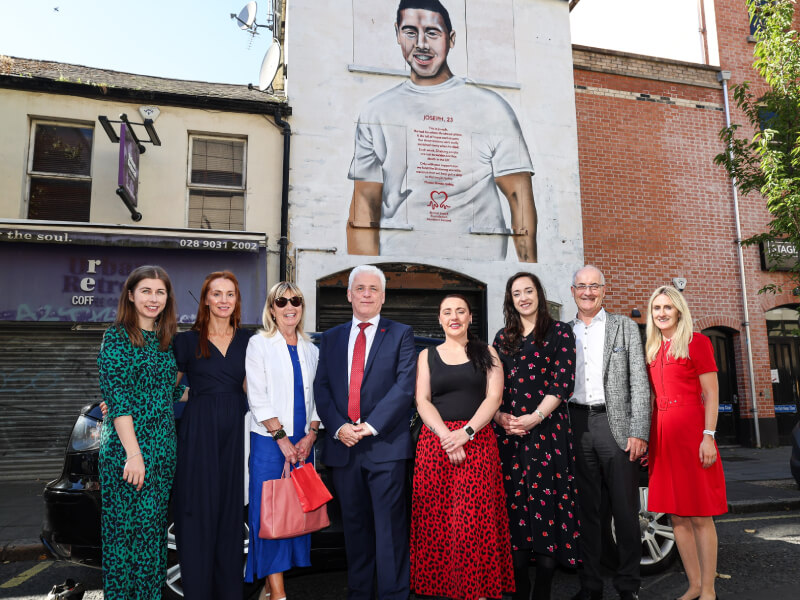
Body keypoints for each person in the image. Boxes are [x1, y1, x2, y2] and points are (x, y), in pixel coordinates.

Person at [346, 0, 537, 262]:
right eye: (410, 31)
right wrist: (364, 273)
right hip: (400, 261)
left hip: (480, 264)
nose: (421, 43)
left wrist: (529, 273)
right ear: (397, 34)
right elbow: (364, 206)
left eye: (432, 33)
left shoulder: (491, 107)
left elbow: (519, 198)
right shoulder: (376, 111)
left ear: (451, 38)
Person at [313, 264, 416, 600]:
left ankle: (393, 595)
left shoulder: (401, 334)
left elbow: (404, 387)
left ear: (383, 297)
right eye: (360, 288)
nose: (367, 294)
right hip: (343, 449)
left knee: (389, 533)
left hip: (385, 448)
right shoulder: (330, 338)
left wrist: (369, 427)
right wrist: (340, 427)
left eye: (373, 289)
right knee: (355, 532)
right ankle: (359, 593)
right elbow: (323, 388)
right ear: (349, 295)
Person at [411, 294, 514, 600]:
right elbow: (422, 400)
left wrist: (466, 433)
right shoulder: (427, 356)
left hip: (478, 443)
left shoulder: (488, 353)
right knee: (437, 523)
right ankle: (445, 591)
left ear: (470, 317)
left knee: (474, 524)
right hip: (436, 445)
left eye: (460, 311)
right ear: (439, 319)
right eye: (447, 312)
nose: (453, 317)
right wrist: (447, 435)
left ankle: (479, 592)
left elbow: (493, 398)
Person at [97, 265, 184, 600]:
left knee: (151, 541)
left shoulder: (167, 341)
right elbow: (118, 401)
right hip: (127, 453)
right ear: (131, 295)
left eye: (160, 292)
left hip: (162, 451)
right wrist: (134, 454)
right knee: (123, 540)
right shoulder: (117, 337)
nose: (153, 298)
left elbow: (171, 392)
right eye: (146, 291)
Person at [492, 272, 580, 600]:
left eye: (529, 291)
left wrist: (534, 418)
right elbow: (492, 389)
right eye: (517, 293)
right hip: (509, 437)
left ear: (539, 295)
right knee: (515, 512)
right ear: (510, 300)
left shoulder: (559, 333)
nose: (524, 297)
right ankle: (519, 589)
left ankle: (542, 590)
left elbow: (562, 383)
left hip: (547, 434)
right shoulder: (502, 338)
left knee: (547, 510)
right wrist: (501, 417)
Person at [568, 266, 650, 600]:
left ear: (604, 290)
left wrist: (639, 430)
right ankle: (590, 586)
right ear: (573, 290)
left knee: (625, 511)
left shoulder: (624, 327)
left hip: (614, 426)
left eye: (594, 286)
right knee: (586, 512)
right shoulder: (562, 331)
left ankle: (628, 586)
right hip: (575, 424)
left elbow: (639, 381)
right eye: (581, 286)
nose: (587, 292)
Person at [172, 271, 254, 600]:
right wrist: (120, 400)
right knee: (196, 512)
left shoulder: (250, 340)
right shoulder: (186, 341)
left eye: (229, 294)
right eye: (216, 294)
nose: (223, 300)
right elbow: (165, 387)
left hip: (237, 429)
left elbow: (256, 389)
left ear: (237, 300)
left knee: (232, 514)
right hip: (198, 432)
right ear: (205, 299)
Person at [645, 286, 726, 600]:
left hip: (693, 434)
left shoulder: (697, 342)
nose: (662, 313)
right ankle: (693, 586)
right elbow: (652, 397)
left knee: (700, 514)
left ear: (678, 310)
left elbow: (712, 393)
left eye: (667, 307)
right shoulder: (653, 348)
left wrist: (709, 436)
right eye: (656, 308)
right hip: (663, 437)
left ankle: (709, 589)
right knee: (677, 515)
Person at [245, 282, 321, 600]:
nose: (290, 306)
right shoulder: (259, 344)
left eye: (296, 300)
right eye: (282, 301)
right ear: (272, 308)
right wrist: (282, 439)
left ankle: (270, 584)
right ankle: (278, 592)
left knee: (295, 516)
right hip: (268, 443)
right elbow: (257, 396)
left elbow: (320, 397)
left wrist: (312, 435)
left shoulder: (312, 349)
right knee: (269, 516)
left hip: (304, 444)